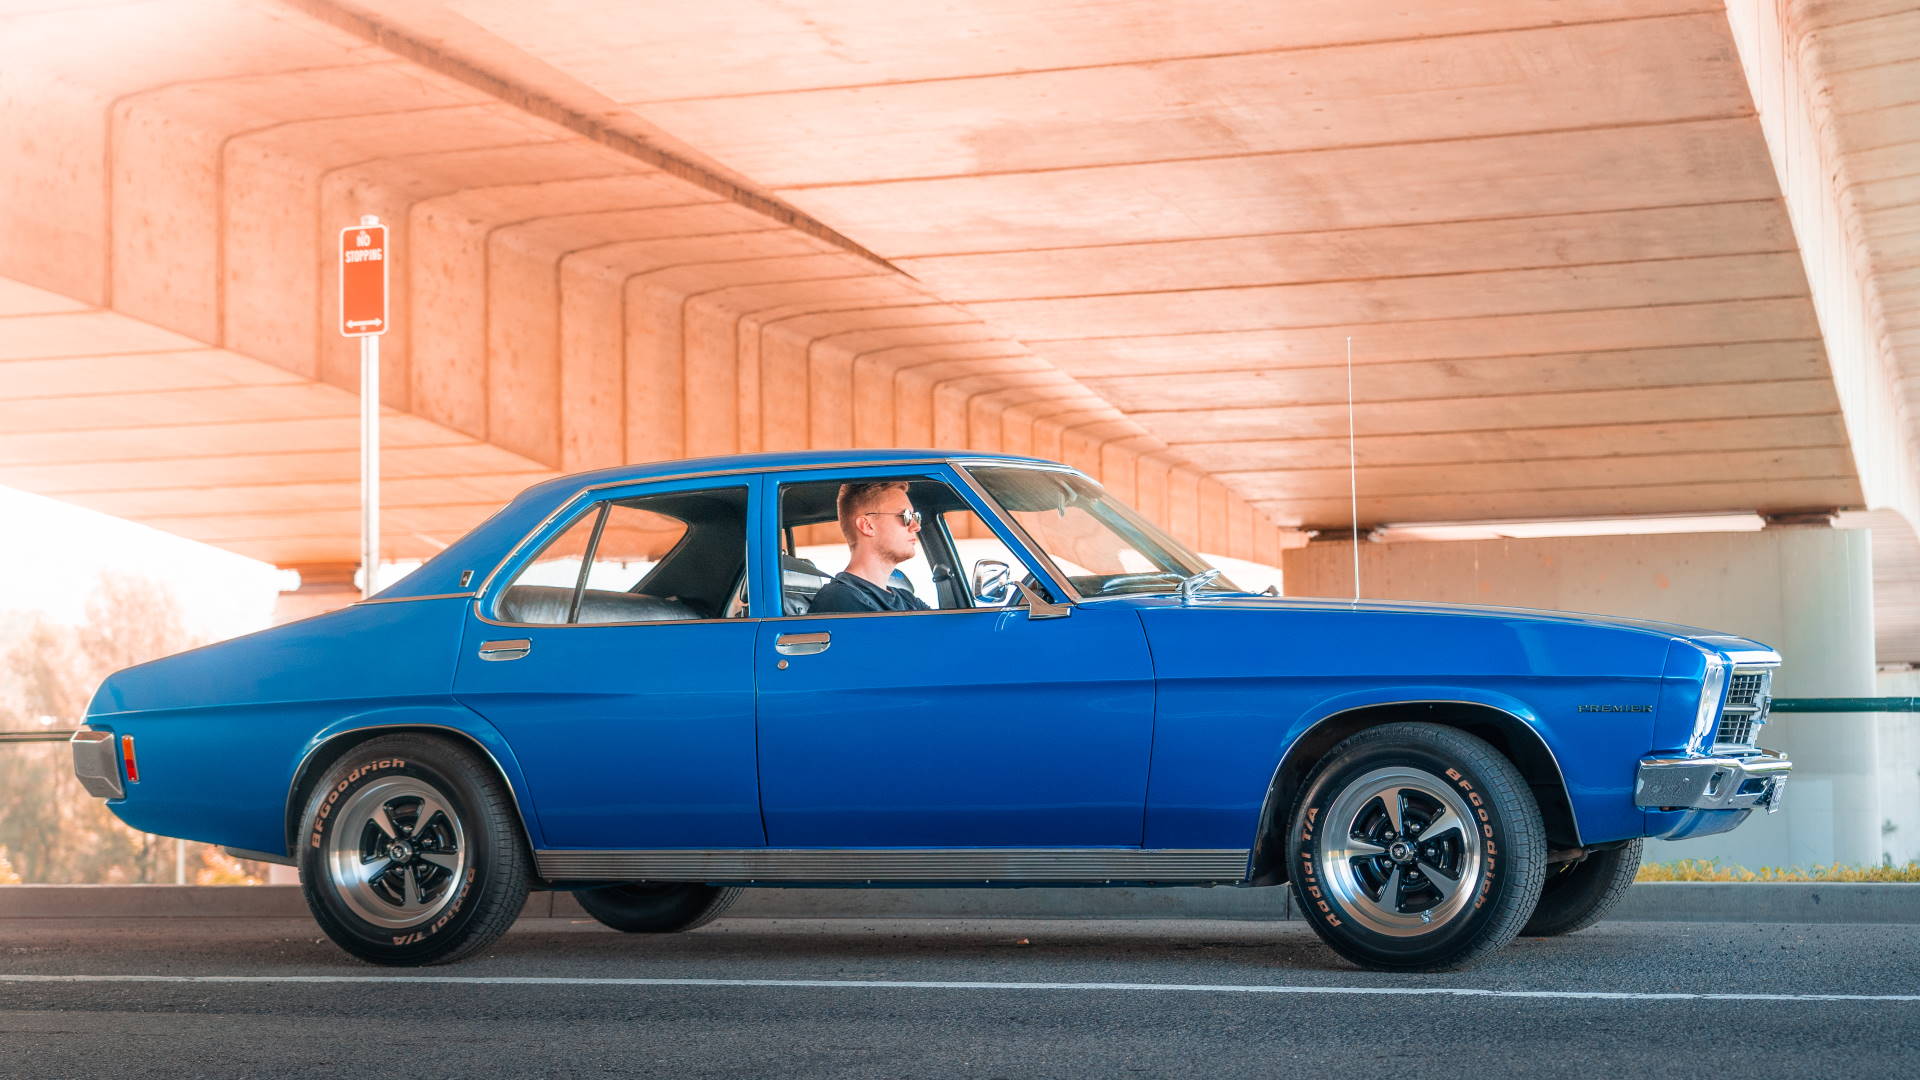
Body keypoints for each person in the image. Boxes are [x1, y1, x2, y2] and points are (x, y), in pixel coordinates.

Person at [806, 481, 932, 614]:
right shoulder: (840, 600)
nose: (916, 526)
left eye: (915, 517)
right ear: (867, 526)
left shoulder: (908, 600)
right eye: (905, 516)